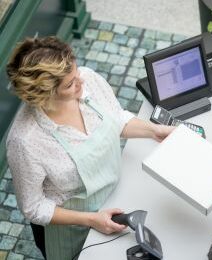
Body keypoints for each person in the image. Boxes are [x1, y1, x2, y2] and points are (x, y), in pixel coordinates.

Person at [5, 36, 174, 260]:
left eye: (76, 74)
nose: (81, 82)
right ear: (44, 95)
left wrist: (155, 131)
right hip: (71, 228)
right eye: (69, 84)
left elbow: (116, 119)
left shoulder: (86, 79)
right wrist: (91, 219)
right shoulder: (25, 141)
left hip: (117, 196)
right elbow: (33, 207)